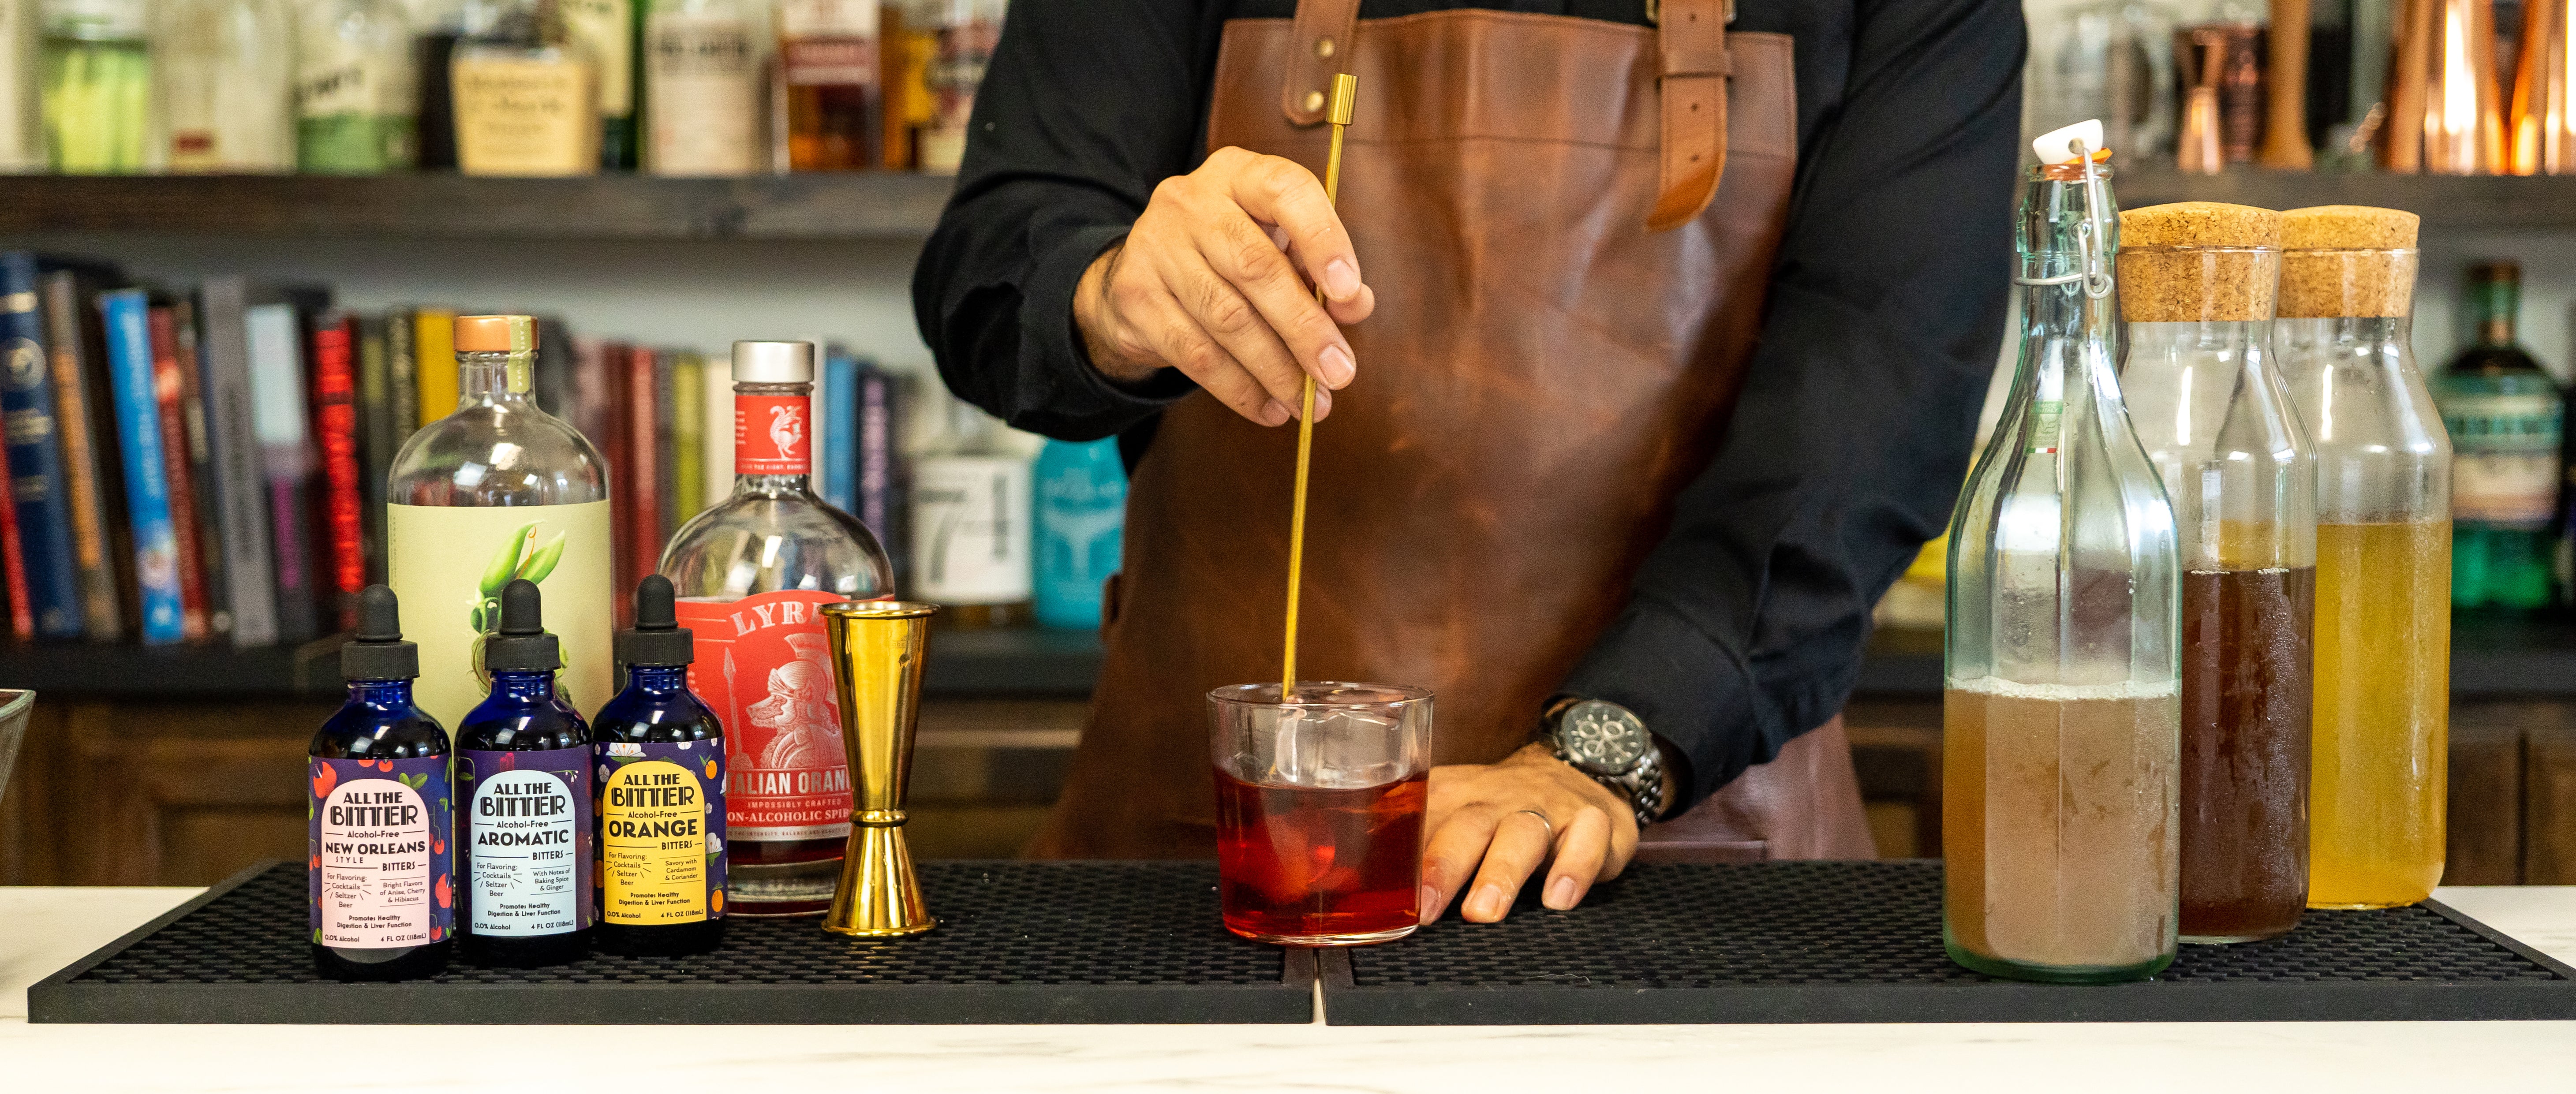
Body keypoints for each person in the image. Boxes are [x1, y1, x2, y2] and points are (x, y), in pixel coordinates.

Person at [912, 0, 2022, 922]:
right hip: (1217, 871)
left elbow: (1880, 398)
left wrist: (1603, 753)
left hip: (1690, 863)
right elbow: (992, 267)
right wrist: (1107, 292)